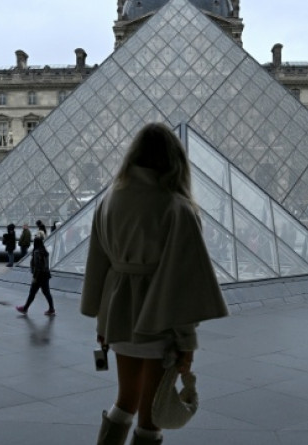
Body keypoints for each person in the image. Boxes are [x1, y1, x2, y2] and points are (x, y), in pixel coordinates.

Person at [81, 123, 228, 445]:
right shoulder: (177, 207)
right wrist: (187, 342)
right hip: (158, 320)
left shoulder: (109, 200)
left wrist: (99, 316)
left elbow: (97, 264)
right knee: (150, 417)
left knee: (125, 401)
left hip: (117, 314)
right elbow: (185, 283)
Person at [16, 221, 55, 316]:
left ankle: (25, 308)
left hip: (39, 276)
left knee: (33, 293)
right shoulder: (44, 251)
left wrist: (35, 277)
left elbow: (38, 266)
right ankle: (51, 309)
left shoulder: (37, 252)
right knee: (46, 293)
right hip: (46, 274)